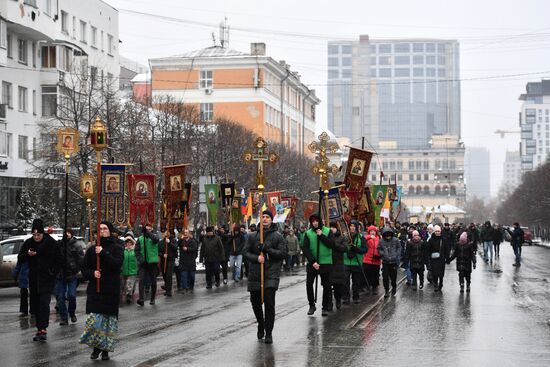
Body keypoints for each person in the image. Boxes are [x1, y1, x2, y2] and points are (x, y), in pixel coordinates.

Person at [80, 221, 124, 361]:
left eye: (105, 229)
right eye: (100, 229)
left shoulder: (117, 247)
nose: (102, 231)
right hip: (96, 290)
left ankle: (105, 350)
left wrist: (103, 253)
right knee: (95, 321)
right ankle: (96, 347)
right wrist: (93, 273)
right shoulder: (91, 250)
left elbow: (117, 265)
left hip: (110, 289)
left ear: (110, 231)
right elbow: (84, 268)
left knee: (108, 322)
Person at [243, 210, 288, 344]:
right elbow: (245, 252)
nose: (265, 219)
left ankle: (269, 332)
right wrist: (257, 258)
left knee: (269, 303)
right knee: (255, 302)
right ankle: (260, 323)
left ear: (271, 219)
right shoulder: (252, 236)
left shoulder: (278, 236)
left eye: (267, 217)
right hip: (256, 274)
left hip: (271, 274)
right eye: (263, 217)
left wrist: (268, 250)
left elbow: (283, 253)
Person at [17, 218, 61, 342]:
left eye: (39, 235)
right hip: (33, 279)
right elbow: (20, 258)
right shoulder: (29, 243)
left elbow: (59, 259)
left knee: (44, 303)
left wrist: (53, 272)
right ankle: (39, 329)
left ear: (43, 233)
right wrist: (28, 255)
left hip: (47, 279)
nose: (36, 237)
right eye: (34, 235)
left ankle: (43, 329)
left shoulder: (51, 243)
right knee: (35, 305)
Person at [302, 214, 335, 316]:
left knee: (327, 286)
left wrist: (321, 236)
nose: (315, 223)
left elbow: (332, 244)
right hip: (313, 263)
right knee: (309, 284)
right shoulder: (308, 233)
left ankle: (325, 307)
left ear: (320, 221)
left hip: (325, 262)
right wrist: (313, 262)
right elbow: (305, 248)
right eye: (313, 221)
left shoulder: (328, 231)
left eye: (316, 221)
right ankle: (311, 305)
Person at [56, 228, 84, 325]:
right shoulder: (60, 244)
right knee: (60, 297)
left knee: (71, 295)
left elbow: (80, 259)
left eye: (68, 233)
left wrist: (75, 269)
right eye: (65, 233)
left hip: (71, 274)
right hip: (61, 275)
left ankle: (72, 313)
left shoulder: (76, 245)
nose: (66, 234)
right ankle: (63, 317)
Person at [342, 220, 367, 304]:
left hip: (357, 262)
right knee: (345, 281)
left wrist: (357, 249)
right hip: (346, 262)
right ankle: (346, 297)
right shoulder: (345, 237)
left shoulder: (361, 237)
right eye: (350, 226)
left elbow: (365, 249)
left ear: (357, 227)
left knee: (356, 281)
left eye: (354, 226)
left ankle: (356, 297)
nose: (352, 228)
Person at [135, 224, 160, 306]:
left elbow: (156, 240)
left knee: (153, 281)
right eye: (146, 229)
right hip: (143, 263)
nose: (148, 231)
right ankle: (141, 299)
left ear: (151, 229)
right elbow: (137, 251)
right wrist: (140, 259)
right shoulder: (140, 239)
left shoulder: (154, 237)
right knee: (141, 280)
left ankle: (152, 299)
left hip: (152, 262)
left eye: (149, 229)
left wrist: (148, 233)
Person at [378, 227, 401, 297]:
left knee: (393, 277)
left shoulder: (395, 240)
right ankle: (386, 290)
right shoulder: (381, 241)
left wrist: (396, 254)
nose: (388, 237)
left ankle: (394, 287)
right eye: (386, 235)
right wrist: (382, 254)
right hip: (385, 262)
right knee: (385, 277)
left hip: (393, 262)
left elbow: (399, 247)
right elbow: (379, 248)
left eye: (389, 235)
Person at [426, 225, 451, 292]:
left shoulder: (443, 239)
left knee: (441, 273)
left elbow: (447, 249)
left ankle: (441, 283)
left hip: (441, 259)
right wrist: (429, 256)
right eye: (436, 231)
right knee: (434, 273)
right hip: (433, 259)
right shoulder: (431, 239)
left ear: (440, 232)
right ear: (434, 232)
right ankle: (435, 284)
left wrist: (447, 257)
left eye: (438, 231)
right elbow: (428, 249)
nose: (437, 232)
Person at [329, 222, 347, 309]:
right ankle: (328, 303)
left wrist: (333, 243)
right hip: (329, 264)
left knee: (337, 286)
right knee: (327, 285)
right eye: (330, 227)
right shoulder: (327, 237)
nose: (332, 229)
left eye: (333, 227)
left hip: (338, 264)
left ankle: (338, 300)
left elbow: (343, 248)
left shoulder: (342, 238)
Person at [159, 229, 178, 297]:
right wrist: (162, 255)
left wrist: (169, 242)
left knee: (168, 275)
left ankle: (169, 291)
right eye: (165, 232)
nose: (166, 234)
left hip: (171, 260)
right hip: (163, 261)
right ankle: (167, 288)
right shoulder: (161, 242)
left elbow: (175, 248)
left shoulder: (173, 240)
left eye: (168, 232)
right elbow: (158, 251)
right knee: (164, 275)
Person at [363, 225, 381, 295]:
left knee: (376, 275)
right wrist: (369, 237)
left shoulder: (379, 238)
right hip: (367, 259)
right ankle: (367, 287)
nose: (372, 232)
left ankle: (375, 287)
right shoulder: (366, 237)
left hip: (376, 260)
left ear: (376, 232)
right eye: (371, 231)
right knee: (367, 274)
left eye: (373, 231)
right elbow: (363, 240)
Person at [121, 232, 138, 304]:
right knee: (124, 284)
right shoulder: (123, 251)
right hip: (124, 270)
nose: (128, 244)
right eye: (127, 242)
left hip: (132, 270)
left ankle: (129, 296)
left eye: (130, 242)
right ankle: (128, 294)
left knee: (130, 284)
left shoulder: (135, 251)